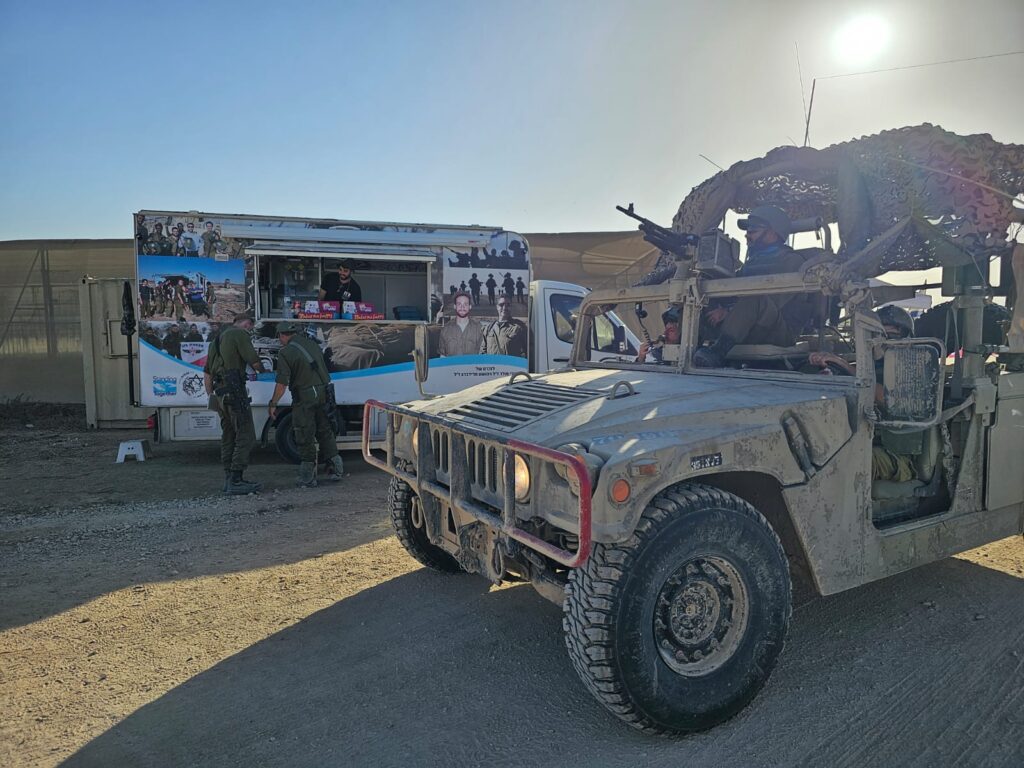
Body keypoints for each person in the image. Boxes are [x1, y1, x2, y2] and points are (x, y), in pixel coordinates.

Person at [808, 305, 920, 481]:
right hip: (865, 440)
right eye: (876, 337)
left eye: (889, 337)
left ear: (905, 339)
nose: (881, 343)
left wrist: (843, 364)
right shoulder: (876, 366)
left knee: (846, 461)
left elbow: (888, 399)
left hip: (898, 457)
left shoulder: (913, 371)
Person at [693, 206, 807, 368]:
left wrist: (728, 312)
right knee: (699, 293)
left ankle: (718, 352)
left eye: (753, 230)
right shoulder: (753, 262)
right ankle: (687, 345)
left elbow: (772, 301)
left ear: (773, 233)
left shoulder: (792, 261)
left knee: (755, 296)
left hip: (779, 332)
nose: (747, 235)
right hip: (750, 325)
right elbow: (734, 292)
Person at [268, 322, 343, 487]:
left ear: (282, 335)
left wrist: (273, 403)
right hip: (324, 392)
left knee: (304, 432)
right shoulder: (312, 344)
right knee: (325, 430)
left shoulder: (286, 353)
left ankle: (308, 476)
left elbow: (282, 383)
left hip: (305, 396)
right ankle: (336, 469)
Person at [203, 312, 267, 494]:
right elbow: (254, 361)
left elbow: (207, 373)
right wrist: (264, 371)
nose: (250, 330)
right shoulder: (239, 334)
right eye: (250, 326)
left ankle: (228, 479)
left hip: (220, 393)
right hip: (234, 391)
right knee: (246, 434)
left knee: (229, 435)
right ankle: (236, 480)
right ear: (245, 324)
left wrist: (211, 396)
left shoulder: (217, 340)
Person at [438, 292, 483, 357]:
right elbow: (442, 356)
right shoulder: (445, 329)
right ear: (455, 306)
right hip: (451, 367)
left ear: (470, 306)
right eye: (459, 304)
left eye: (465, 304)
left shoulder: (479, 329)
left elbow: (482, 355)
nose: (462, 307)